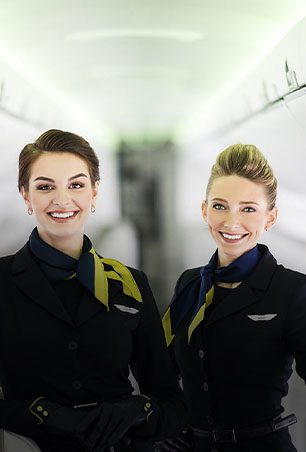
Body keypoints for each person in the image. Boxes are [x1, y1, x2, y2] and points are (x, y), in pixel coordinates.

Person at [0, 129, 186, 452]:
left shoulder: (131, 284)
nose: (62, 200)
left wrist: (136, 411)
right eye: (45, 187)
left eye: (76, 185)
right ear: (25, 196)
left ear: (94, 193)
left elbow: (171, 404)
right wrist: (42, 414)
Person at [160, 144, 306, 452]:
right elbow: (164, 370)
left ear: (270, 218)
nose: (231, 222)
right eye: (220, 206)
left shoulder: (293, 291)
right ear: (204, 210)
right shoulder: (190, 283)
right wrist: (168, 422)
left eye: (248, 209)